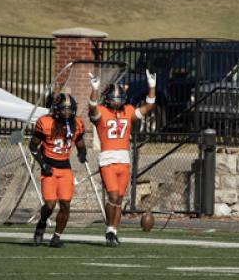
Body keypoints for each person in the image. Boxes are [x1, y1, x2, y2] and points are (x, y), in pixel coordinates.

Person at [88, 69, 156, 247]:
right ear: (108, 99)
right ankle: (109, 228)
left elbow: (149, 107)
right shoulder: (101, 111)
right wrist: (94, 89)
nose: (117, 103)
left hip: (124, 161)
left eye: (119, 100)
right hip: (108, 160)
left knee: (119, 199)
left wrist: (152, 87)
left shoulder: (128, 111)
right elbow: (92, 107)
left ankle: (113, 231)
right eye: (114, 99)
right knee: (113, 195)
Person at [29, 92, 86, 248]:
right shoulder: (45, 122)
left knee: (66, 204)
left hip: (65, 169)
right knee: (49, 204)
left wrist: (82, 153)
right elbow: (33, 146)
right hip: (49, 168)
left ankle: (56, 237)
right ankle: (41, 223)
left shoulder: (77, 124)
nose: (67, 113)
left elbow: (80, 142)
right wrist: (43, 164)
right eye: (64, 109)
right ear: (56, 109)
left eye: (70, 109)